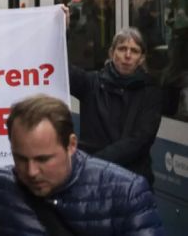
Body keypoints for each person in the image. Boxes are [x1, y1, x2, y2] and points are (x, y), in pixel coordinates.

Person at [0, 94, 164, 235]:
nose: (31, 172)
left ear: (71, 145)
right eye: (21, 158)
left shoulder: (126, 194)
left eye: (43, 159)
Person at [68, 25, 163, 186]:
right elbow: (61, 68)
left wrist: (93, 163)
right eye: (122, 49)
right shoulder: (91, 83)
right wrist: (63, 29)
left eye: (134, 51)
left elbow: (140, 140)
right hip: (93, 181)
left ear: (141, 58)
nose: (127, 55)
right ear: (112, 53)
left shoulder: (151, 93)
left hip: (132, 182)